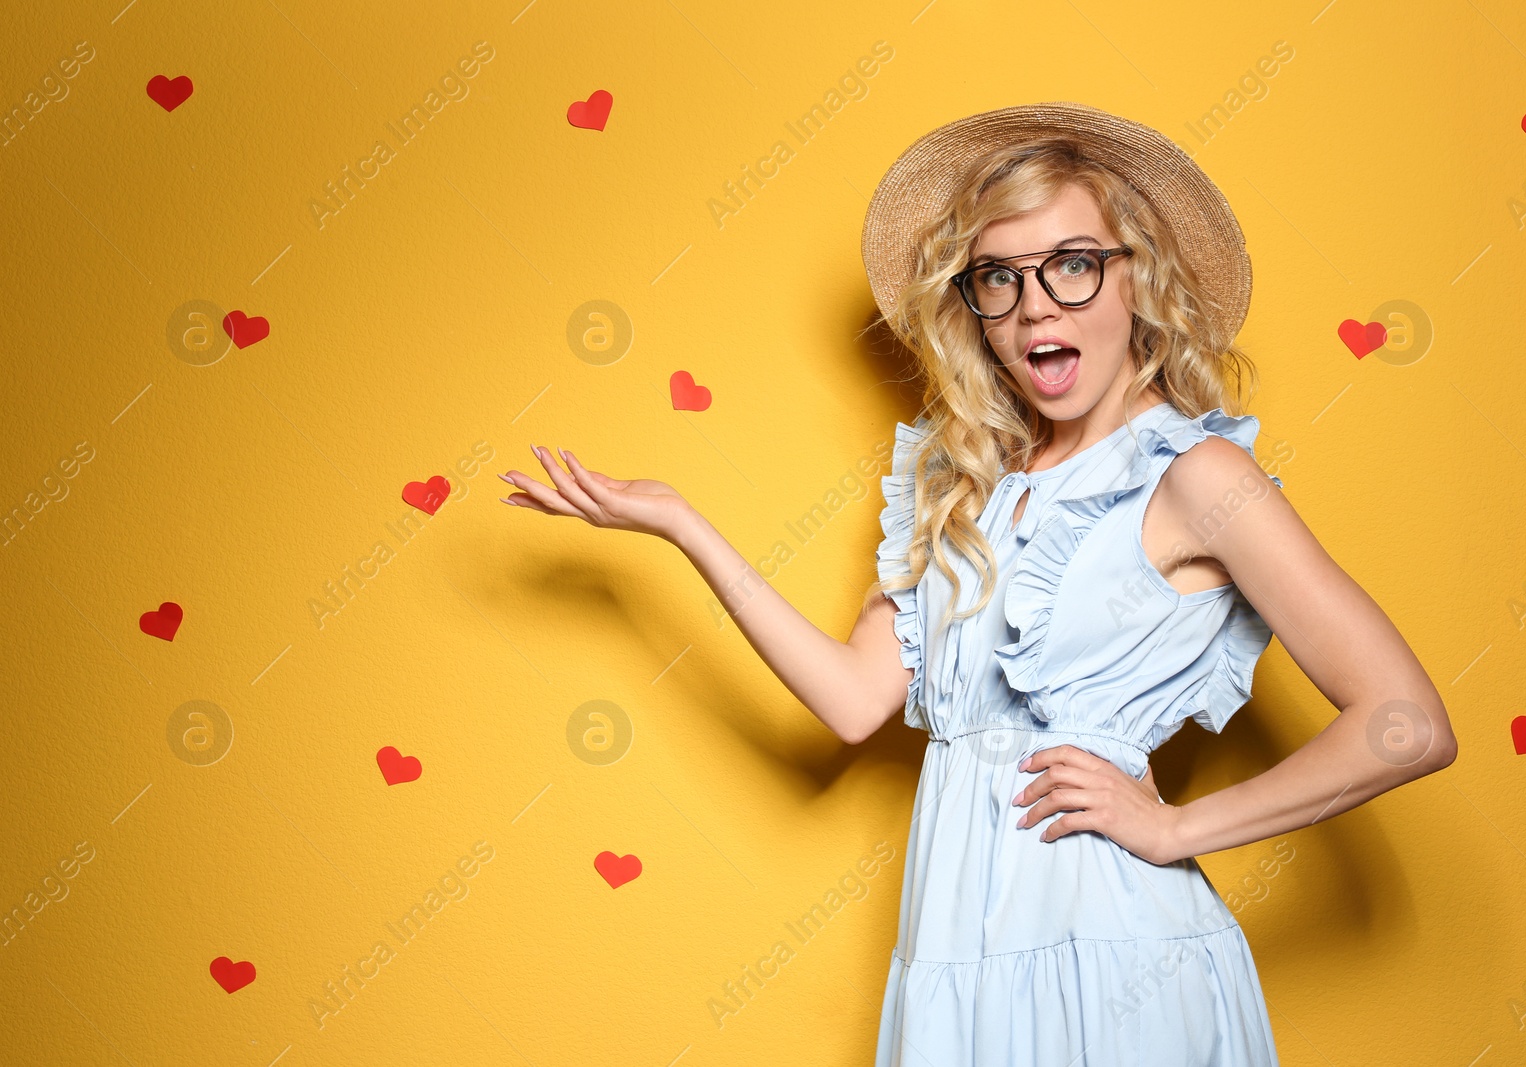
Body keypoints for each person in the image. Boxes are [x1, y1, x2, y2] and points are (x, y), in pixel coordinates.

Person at [497, 102, 1458, 1066]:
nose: (1036, 305)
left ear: (1139, 279)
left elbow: (1406, 722)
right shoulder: (966, 487)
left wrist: (1176, 828)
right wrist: (681, 524)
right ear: (976, 309)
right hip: (958, 960)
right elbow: (849, 700)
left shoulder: (1196, 477)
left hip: (1119, 962)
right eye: (999, 278)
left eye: (1073, 263)